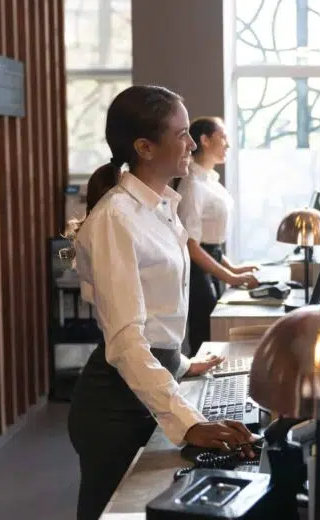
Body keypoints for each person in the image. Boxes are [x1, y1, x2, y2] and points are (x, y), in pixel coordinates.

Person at [66, 86, 255, 520]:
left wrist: (183, 362)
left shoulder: (162, 208)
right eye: (183, 133)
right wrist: (188, 422)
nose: (192, 143)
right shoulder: (116, 218)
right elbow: (128, 342)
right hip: (115, 406)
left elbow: (156, 316)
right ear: (145, 147)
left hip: (150, 382)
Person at [176, 116, 259, 355]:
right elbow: (191, 246)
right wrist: (230, 277)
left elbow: (211, 243)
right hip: (197, 269)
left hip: (210, 261)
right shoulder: (192, 184)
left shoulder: (209, 180)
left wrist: (234, 270)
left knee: (215, 337)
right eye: (222, 137)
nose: (227, 144)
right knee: (206, 338)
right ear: (204, 140)